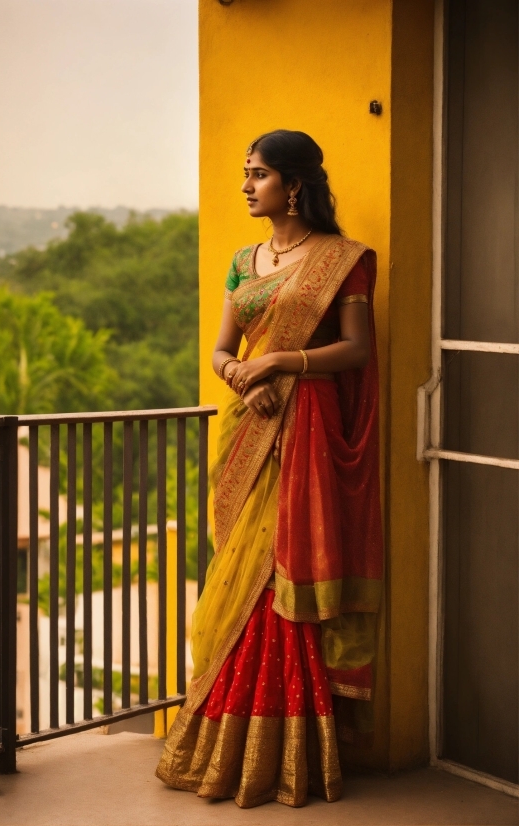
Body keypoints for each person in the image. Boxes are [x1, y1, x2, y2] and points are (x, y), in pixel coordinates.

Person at [156, 129, 383, 809]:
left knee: (279, 576)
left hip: (307, 432)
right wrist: (242, 378)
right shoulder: (241, 259)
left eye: (258, 175)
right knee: (234, 577)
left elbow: (357, 351)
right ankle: (218, 745)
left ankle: (288, 757)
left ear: (295, 184)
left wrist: (281, 363)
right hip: (251, 429)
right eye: (245, 173)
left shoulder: (345, 261)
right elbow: (224, 351)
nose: (247, 185)